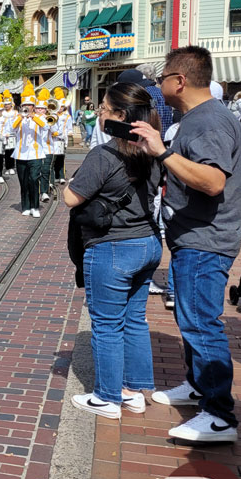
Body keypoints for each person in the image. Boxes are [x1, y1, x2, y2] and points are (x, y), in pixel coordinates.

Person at [131, 45, 241, 443]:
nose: (159, 86)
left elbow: (212, 181)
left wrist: (162, 151)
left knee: (201, 324)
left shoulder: (210, 121)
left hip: (205, 240)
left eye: (162, 78)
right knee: (191, 319)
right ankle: (199, 387)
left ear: (179, 81)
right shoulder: (199, 118)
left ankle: (219, 415)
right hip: (193, 237)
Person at [65, 83, 163, 419]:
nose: (100, 113)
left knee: (106, 324)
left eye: (105, 109)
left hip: (113, 247)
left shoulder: (104, 155)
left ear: (121, 116)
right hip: (148, 242)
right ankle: (133, 391)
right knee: (134, 319)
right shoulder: (153, 150)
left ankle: (107, 397)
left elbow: (71, 198)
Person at [12, 81, 46, 217]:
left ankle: (35, 206)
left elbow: (47, 127)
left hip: (36, 154)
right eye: (25, 105)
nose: (27, 107)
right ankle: (25, 206)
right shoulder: (17, 118)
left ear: (34, 106)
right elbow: (11, 129)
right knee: (23, 181)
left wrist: (34, 117)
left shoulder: (41, 118)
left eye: (30, 105)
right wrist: (21, 117)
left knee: (33, 179)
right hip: (20, 154)